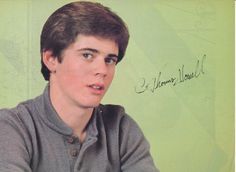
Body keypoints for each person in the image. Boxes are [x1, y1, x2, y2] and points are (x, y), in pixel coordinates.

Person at [0, 1, 159, 172]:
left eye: (110, 60)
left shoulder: (121, 128)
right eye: (87, 55)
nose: (102, 70)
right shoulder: (12, 128)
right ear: (51, 59)